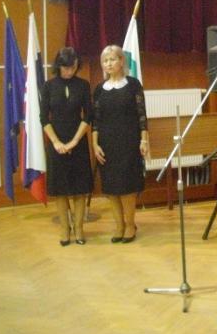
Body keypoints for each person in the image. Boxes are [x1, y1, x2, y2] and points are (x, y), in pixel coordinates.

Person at [92, 45, 149, 244]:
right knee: (111, 189)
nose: (108, 64)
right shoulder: (99, 89)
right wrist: (95, 144)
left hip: (129, 143)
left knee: (127, 188)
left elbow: (142, 115)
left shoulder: (133, 85)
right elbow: (95, 121)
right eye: (105, 61)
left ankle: (130, 224)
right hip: (107, 144)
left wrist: (144, 139)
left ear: (121, 61)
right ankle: (119, 226)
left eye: (112, 59)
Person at [40, 47, 94, 246]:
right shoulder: (48, 86)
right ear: (58, 66)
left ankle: (79, 228)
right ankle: (65, 229)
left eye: (73, 67)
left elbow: (88, 116)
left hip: (78, 142)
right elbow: (44, 118)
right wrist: (56, 142)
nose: (70, 71)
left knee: (80, 189)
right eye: (66, 68)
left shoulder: (83, 85)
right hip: (56, 144)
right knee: (60, 189)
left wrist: (74, 141)